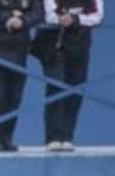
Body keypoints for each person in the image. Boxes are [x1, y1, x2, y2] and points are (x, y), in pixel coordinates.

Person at [34, 0, 105, 151]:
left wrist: (75, 19)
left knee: (76, 90)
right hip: (53, 45)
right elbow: (49, 14)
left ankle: (67, 137)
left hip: (80, 45)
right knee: (55, 87)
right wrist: (63, 18)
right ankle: (52, 138)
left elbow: (97, 16)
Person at [0, 0, 44, 152]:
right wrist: (8, 16)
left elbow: (39, 14)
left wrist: (22, 20)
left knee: (14, 97)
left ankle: (7, 137)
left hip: (19, 52)